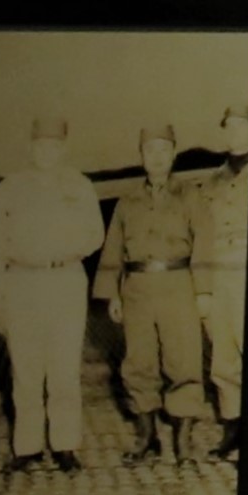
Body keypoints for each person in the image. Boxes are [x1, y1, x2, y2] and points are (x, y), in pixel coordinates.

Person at [0, 114, 104, 471]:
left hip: (65, 279)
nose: (46, 152)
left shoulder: (79, 186)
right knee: (26, 369)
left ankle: (65, 445)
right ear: (30, 146)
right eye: (40, 145)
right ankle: (27, 447)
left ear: (63, 148)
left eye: (54, 145)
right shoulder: (9, 188)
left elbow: (95, 234)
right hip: (23, 281)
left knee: (65, 369)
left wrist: (68, 249)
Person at [92, 124, 209, 464]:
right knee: (138, 362)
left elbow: (204, 242)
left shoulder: (190, 195)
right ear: (141, 156)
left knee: (183, 360)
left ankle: (183, 442)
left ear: (173, 154)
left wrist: (203, 291)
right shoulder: (127, 202)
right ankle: (147, 436)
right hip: (137, 289)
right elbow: (113, 250)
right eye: (149, 150)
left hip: (178, 284)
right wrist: (113, 294)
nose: (156, 157)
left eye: (163, 149)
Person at [184, 102, 248, 463]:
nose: (234, 133)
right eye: (229, 126)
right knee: (223, 359)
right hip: (218, 275)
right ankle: (233, 428)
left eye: (242, 125)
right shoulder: (209, 182)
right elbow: (200, 238)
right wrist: (203, 289)